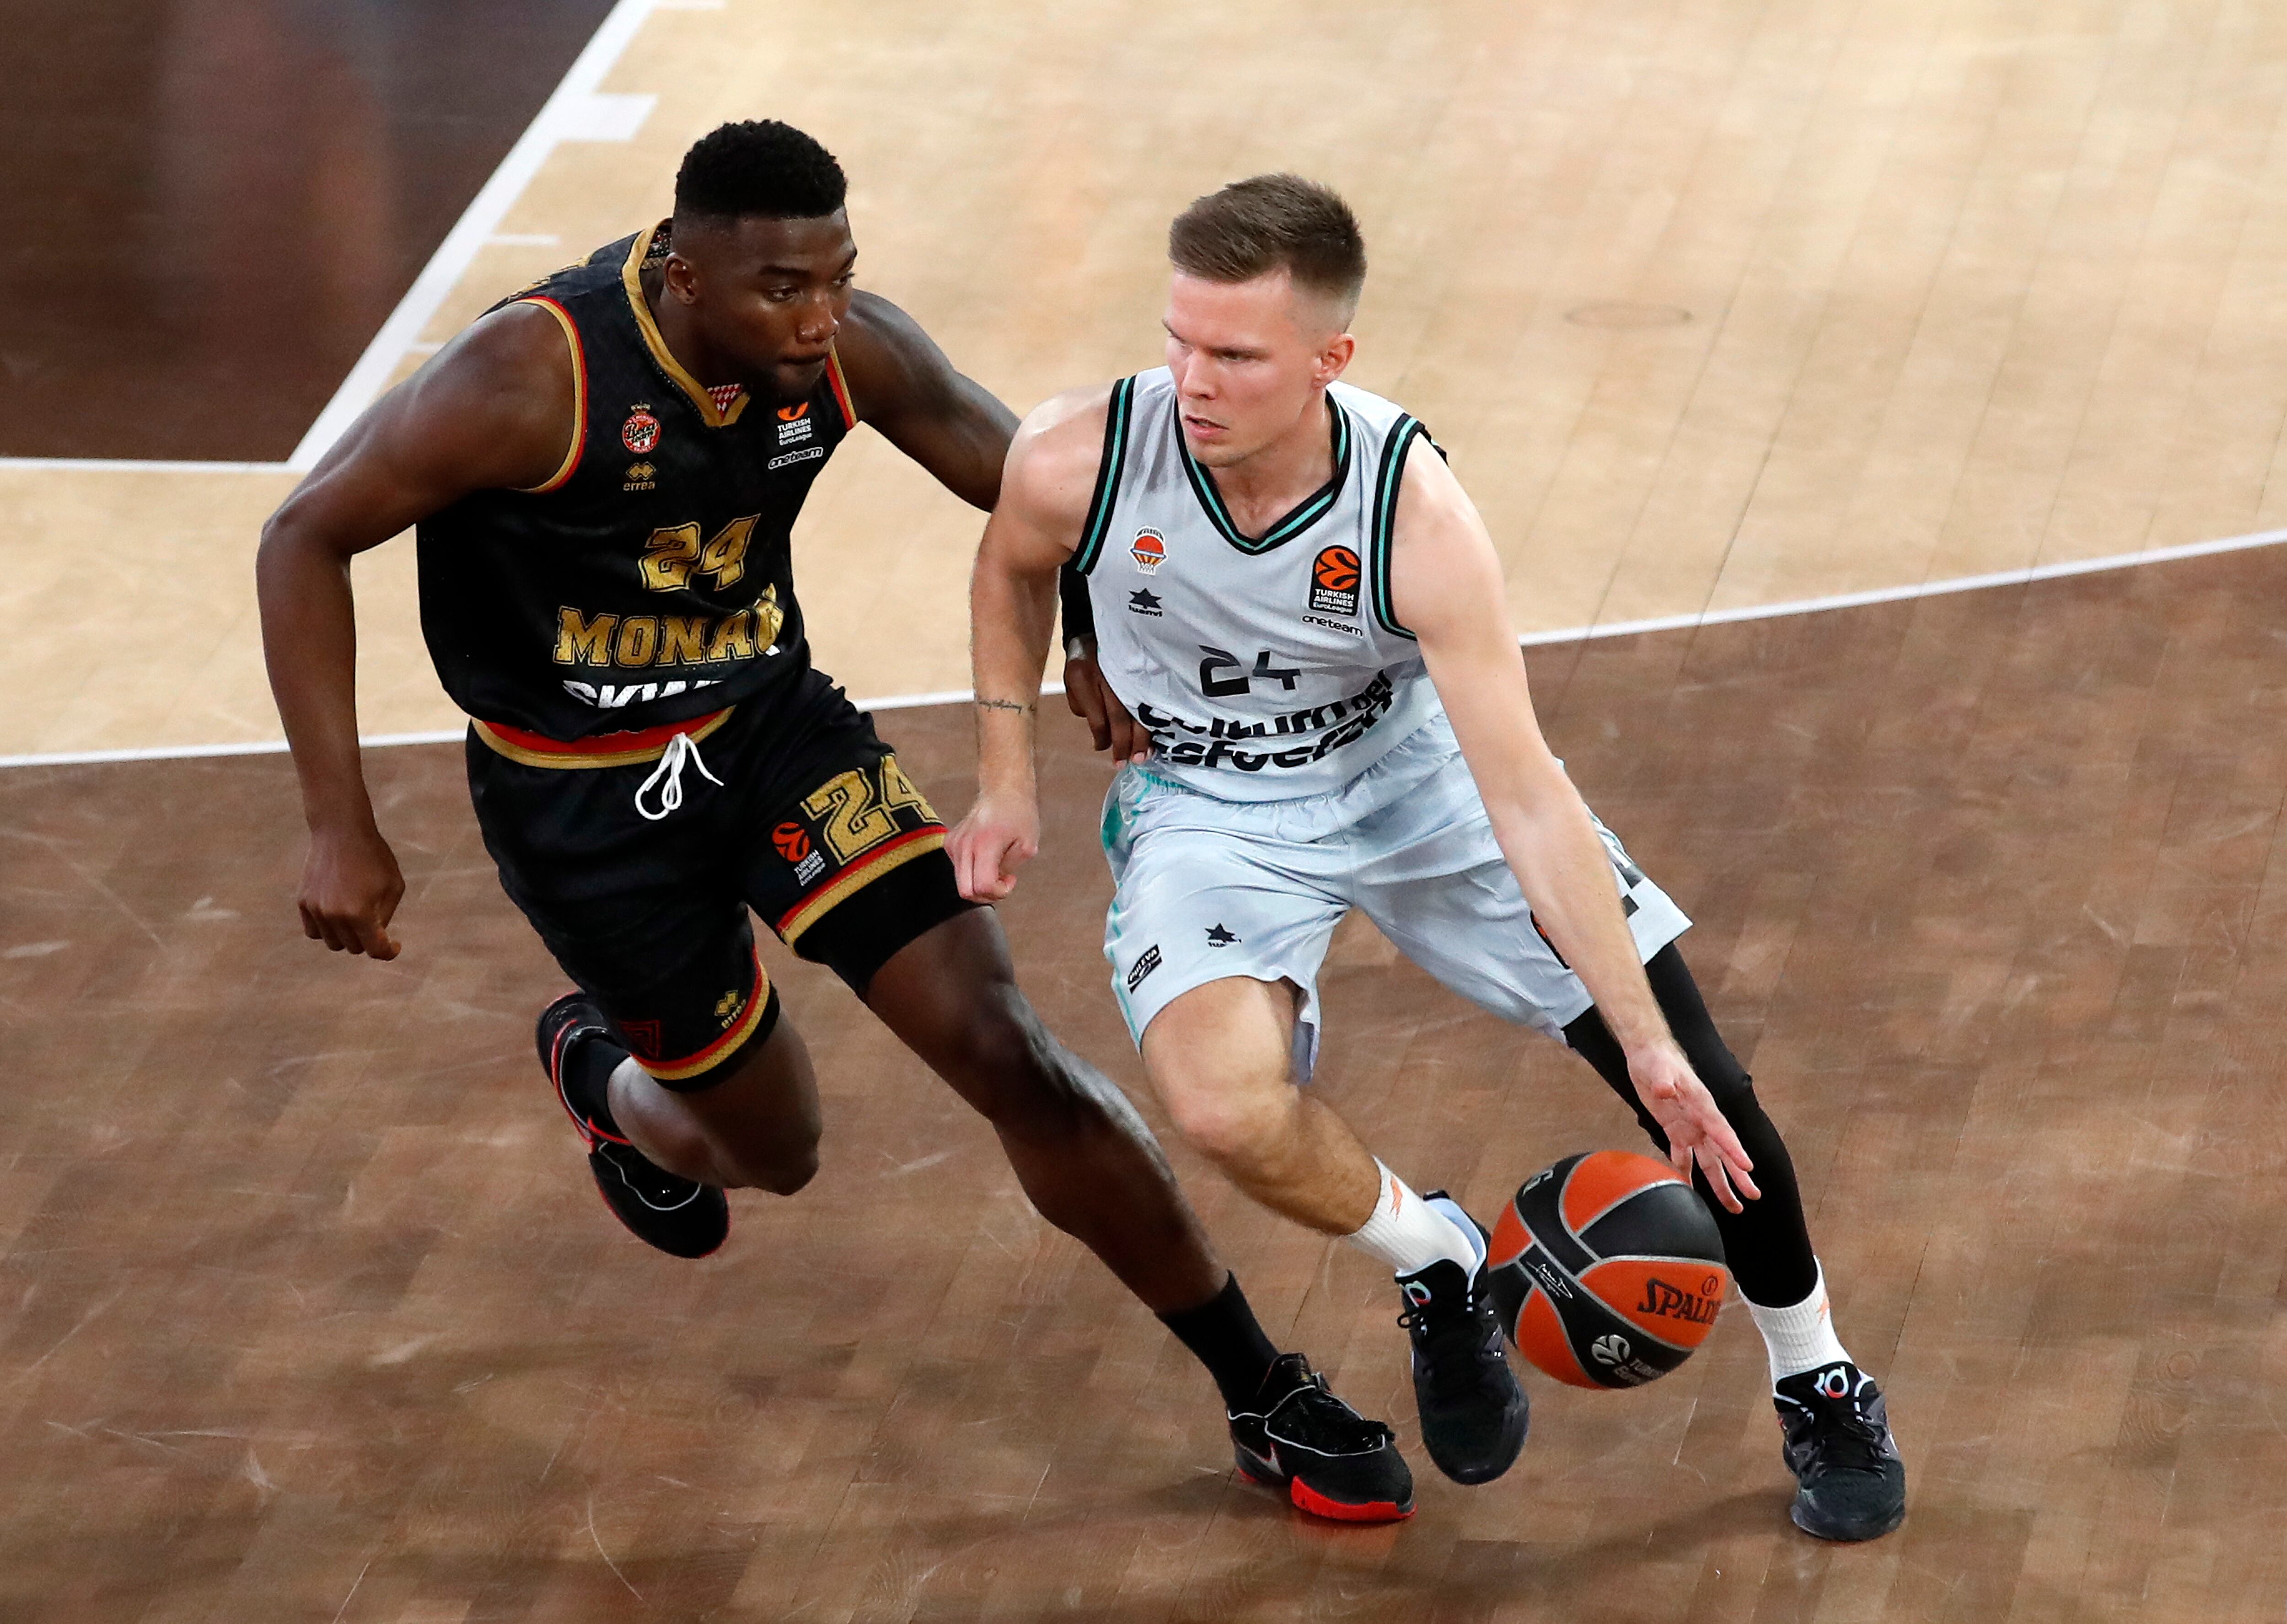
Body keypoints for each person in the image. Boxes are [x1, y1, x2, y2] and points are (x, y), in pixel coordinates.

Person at [255, 123, 1416, 1524]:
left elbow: (1048, 491)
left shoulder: (851, 349)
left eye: (837, 278)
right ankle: (610, 1082)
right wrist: (339, 824)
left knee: (1007, 1052)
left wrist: (1095, 632)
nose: (819, 319)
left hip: (772, 735)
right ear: (683, 276)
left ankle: (1262, 1389)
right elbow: (303, 535)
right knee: (772, 1147)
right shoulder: (530, 380)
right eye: (782, 290)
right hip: (580, 801)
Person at [954, 173, 1908, 1540]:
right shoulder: (1078, 455)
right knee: (1223, 1109)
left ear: (1330, 361)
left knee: (1703, 1087)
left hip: (1413, 781)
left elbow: (1523, 797)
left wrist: (1643, 1046)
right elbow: (1010, 568)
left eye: (1235, 355)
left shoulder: (1416, 517)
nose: (1191, 380)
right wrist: (1006, 775)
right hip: (1213, 804)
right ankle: (1437, 1255)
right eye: (1177, 339)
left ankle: (1817, 1370)